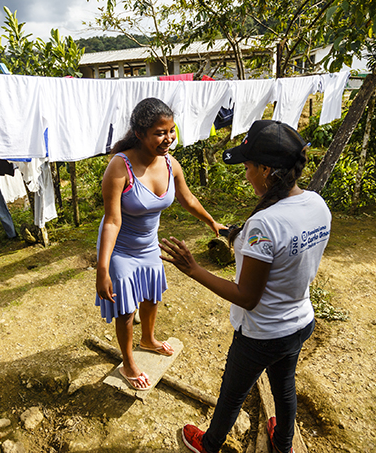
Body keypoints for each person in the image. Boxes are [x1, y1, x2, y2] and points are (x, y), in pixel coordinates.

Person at [160, 120, 332, 453]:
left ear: (267, 169)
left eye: (249, 166)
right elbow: (286, 248)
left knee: (234, 392)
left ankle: (208, 444)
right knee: (284, 386)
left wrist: (193, 269)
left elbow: (247, 298)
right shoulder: (315, 204)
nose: (247, 173)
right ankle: (283, 443)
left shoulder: (264, 224)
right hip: (299, 321)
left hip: (262, 333)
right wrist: (238, 236)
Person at [96, 98, 224, 390]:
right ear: (140, 133)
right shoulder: (119, 168)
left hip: (149, 246)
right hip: (121, 250)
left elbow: (187, 198)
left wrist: (212, 222)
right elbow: (112, 221)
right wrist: (102, 269)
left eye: (171, 131)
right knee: (126, 310)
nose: (168, 139)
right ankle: (128, 362)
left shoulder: (170, 163)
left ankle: (148, 339)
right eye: (160, 132)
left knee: (152, 296)